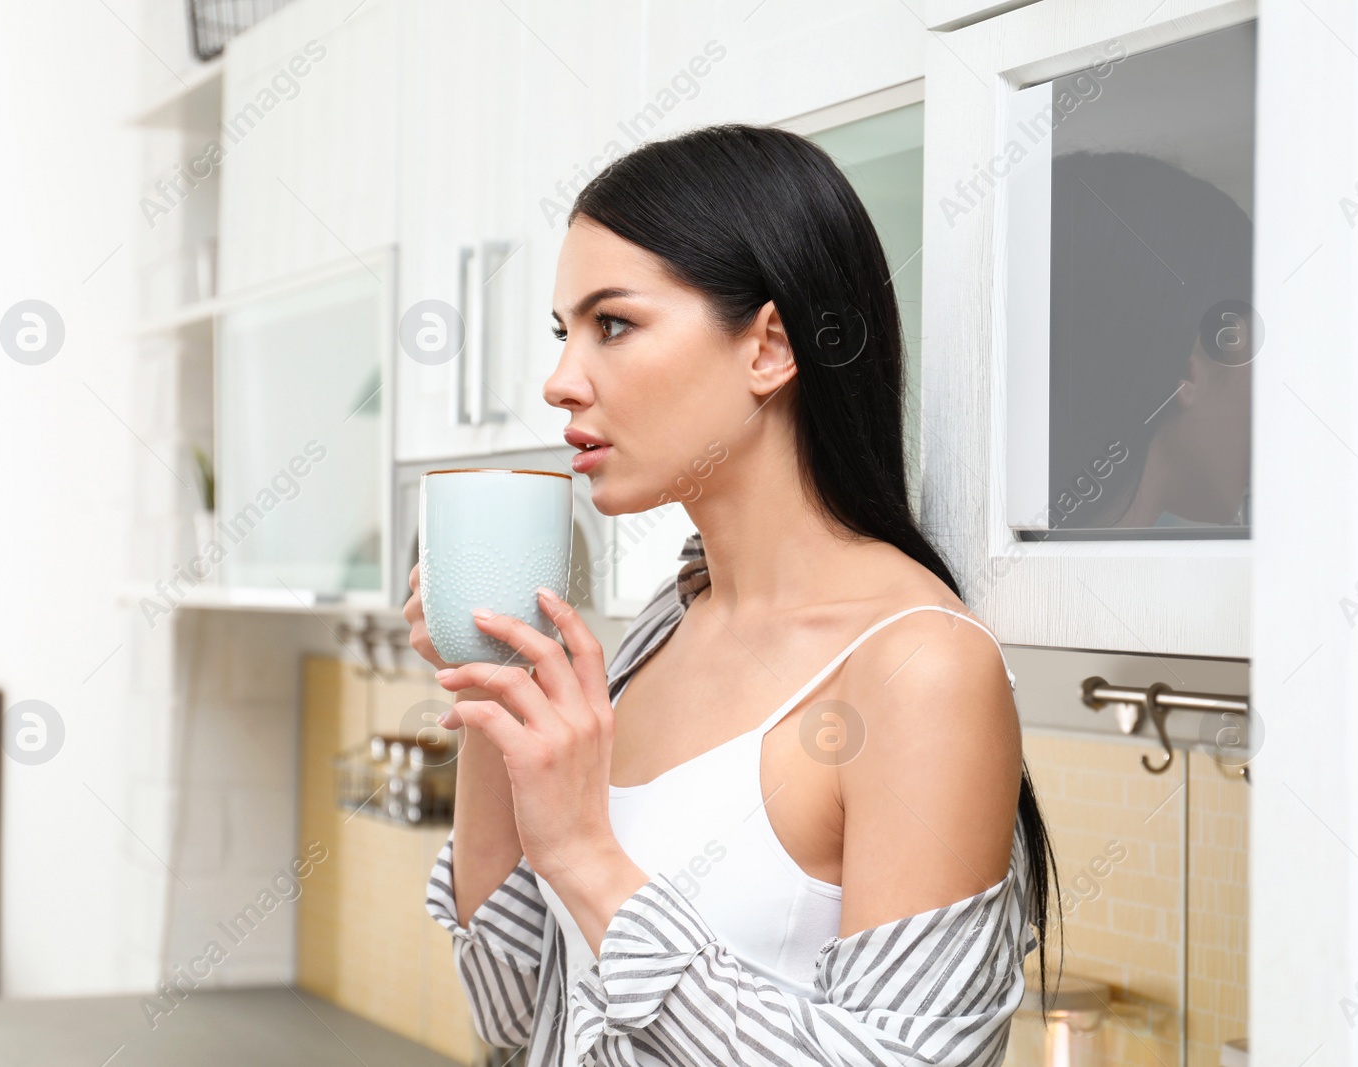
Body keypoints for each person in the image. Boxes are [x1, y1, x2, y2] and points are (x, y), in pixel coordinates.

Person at [405, 123, 1057, 1067]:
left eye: (613, 325)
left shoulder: (919, 670)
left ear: (770, 347)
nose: (558, 381)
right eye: (563, 333)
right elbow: (513, 1011)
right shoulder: (661, 634)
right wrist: (489, 685)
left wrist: (590, 856)